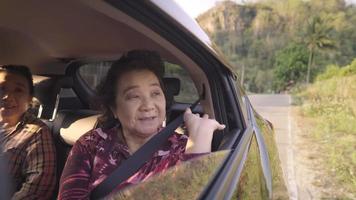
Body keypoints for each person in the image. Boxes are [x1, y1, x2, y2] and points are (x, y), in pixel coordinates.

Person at [58, 50, 225, 199]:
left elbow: (199, 192)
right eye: (134, 96)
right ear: (114, 108)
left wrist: (200, 140)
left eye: (155, 93)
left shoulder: (183, 148)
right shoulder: (90, 145)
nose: (148, 105)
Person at [0, 65, 56, 199]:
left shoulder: (36, 133)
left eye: (18, 90)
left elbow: (37, 190)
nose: (7, 96)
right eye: (2, 88)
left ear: (29, 98)